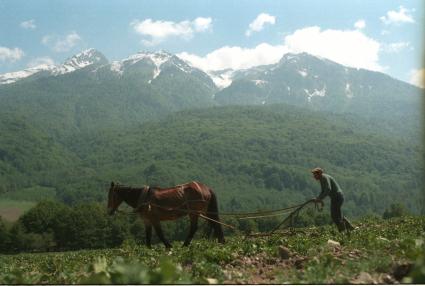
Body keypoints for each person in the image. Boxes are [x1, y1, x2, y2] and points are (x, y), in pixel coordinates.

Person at [311, 167, 355, 232]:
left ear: (319, 174)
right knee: (337, 215)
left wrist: (319, 198)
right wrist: (318, 198)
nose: (314, 176)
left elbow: (328, 189)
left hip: (337, 197)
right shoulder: (322, 179)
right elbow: (323, 191)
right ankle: (350, 228)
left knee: (336, 216)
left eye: (315, 175)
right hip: (335, 197)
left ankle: (343, 231)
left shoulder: (324, 178)